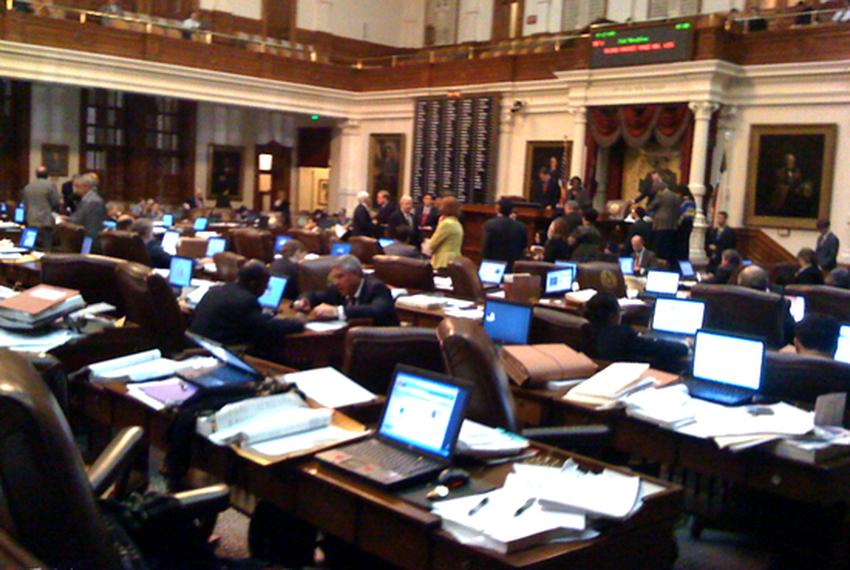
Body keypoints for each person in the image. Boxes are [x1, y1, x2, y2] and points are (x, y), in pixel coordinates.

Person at [190, 260, 305, 350]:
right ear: (253, 283)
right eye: (265, 285)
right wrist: (298, 321)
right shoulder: (246, 301)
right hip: (221, 351)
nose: (266, 289)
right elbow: (268, 327)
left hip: (197, 343)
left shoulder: (217, 290)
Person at [583, 292, 688, 368]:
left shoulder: (585, 330)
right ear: (612, 315)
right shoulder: (623, 334)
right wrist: (685, 345)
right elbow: (657, 348)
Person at [294, 255, 398, 326]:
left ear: (356, 274)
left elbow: (376, 310)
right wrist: (305, 300)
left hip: (382, 342)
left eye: (340, 276)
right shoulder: (339, 288)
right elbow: (315, 296)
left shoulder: (376, 287)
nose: (336, 282)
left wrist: (337, 311)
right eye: (335, 277)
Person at [481, 198, 527, 269]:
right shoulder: (521, 226)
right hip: (513, 266)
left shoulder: (490, 225)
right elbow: (523, 248)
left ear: (498, 208)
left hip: (494, 266)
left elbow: (486, 248)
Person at [22, 166, 60, 250]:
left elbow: (25, 204)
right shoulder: (50, 185)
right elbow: (55, 202)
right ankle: (46, 258)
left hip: (31, 217)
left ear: (36, 175)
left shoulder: (28, 187)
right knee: (47, 244)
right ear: (47, 175)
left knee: (29, 244)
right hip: (46, 218)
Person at [647, 180, 681, 263]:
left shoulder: (661, 195)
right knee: (669, 247)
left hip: (660, 224)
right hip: (673, 225)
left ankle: (659, 264)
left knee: (659, 248)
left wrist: (652, 214)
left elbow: (650, 207)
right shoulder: (676, 196)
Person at [426, 196, 463, 271]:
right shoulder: (457, 223)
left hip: (443, 262)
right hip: (454, 260)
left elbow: (432, 244)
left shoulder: (446, 224)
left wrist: (440, 224)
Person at [69, 173, 107, 240]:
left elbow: (91, 225)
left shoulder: (93, 201)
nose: (76, 190)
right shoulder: (87, 199)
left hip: (89, 238)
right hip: (86, 235)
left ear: (86, 187)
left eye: (78, 187)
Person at [677, 186, 695, 261]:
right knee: (685, 242)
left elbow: (683, 215)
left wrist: (678, 223)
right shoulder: (692, 201)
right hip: (689, 224)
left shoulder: (685, 202)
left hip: (684, 224)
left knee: (682, 243)